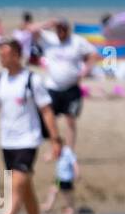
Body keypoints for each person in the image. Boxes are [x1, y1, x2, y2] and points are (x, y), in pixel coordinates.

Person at [0, 38, 61, 214]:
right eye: (0, 54)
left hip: (28, 139)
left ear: (17, 55)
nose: (1, 57)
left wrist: (55, 140)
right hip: (6, 141)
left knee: (17, 185)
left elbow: (46, 110)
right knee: (25, 188)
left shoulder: (31, 80)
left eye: (5, 53)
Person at [33, 18, 97, 150]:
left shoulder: (77, 41)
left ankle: (69, 152)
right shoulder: (49, 39)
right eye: (59, 29)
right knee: (49, 119)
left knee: (70, 120)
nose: (61, 32)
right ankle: (55, 148)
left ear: (68, 30)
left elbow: (93, 54)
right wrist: (49, 23)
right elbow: (31, 30)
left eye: (63, 29)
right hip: (52, 87)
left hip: (71, 87)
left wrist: (86, 70)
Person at [44, 142, 79, 214]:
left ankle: (71, 209)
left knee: (67, 194)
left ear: (61, 146)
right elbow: (51, 157)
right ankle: (48, 206)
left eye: (56, 148)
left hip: (66, 178)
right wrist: (48, 157)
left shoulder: (67, 152)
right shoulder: (57, 151)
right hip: (59, 178)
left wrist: (77, 173)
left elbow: (74, 162)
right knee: (53, 190)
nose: (55, 150)